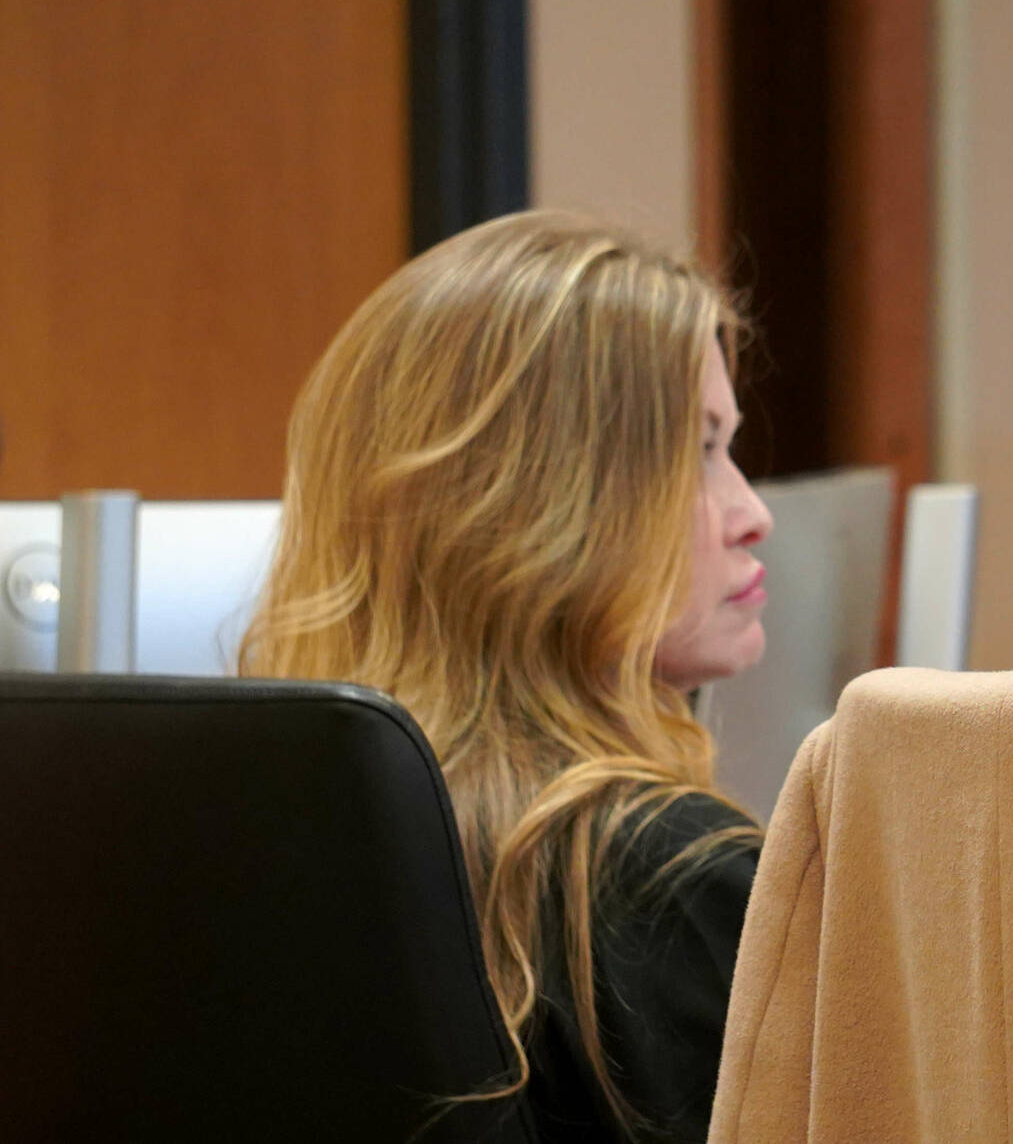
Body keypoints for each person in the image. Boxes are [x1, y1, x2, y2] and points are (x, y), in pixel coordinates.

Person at [241, 211, 774, 1142]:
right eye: (696, 452)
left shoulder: (276, 838)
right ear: (538, 503)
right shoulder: (678, 880)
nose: (751, 512)